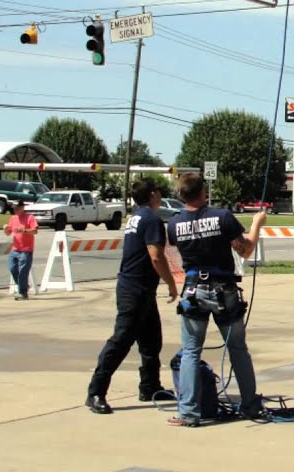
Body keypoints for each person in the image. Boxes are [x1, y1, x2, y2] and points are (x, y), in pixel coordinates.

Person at [165, 173, 268, 427]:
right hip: (223, 289)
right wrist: (257, 223)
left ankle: (188, 412)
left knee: (190, 351)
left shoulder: (174, 223)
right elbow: (245, 249)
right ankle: (250, 405)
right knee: (237, 349)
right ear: (203, 192)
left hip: (193, 290)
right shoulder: (221, 217)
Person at [85, 178, 180, 415]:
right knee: (121, 341)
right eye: (158, 191)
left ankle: (150, 386)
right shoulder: (151, 220)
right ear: (154, 195)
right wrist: (171, 283)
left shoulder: (137, 216)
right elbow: (156, 256)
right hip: (134, 290)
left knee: (151, 342)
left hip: (141, 289)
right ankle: (96, 392)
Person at [3, 199, 38, 300]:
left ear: (23, 208)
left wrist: (24, 230)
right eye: (14, 209)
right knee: (12, 268)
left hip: (26, 249)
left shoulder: (29, 218)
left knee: (23, 270)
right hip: (15, 249)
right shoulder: (13, 218)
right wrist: (6, 229)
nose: (15, 211)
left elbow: (35, 231)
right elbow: (8, 232)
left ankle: (23, 292)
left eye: (17, 209)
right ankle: (24, 286)